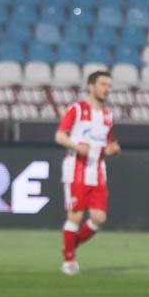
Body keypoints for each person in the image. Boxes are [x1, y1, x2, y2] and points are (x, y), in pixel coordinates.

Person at [54, 71, 121, 275]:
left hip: (98, 170)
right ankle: (69, 262)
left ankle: (70, 246)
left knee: (99, 218)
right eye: (102, 84)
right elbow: (59, 136)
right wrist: (76, 146)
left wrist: (112, 149)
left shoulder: (108, 116)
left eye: (109, 85)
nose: (106, 88)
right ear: (91, 86)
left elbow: (107, 143)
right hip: (76, 169)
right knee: (75, 216)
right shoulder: (77, 109)